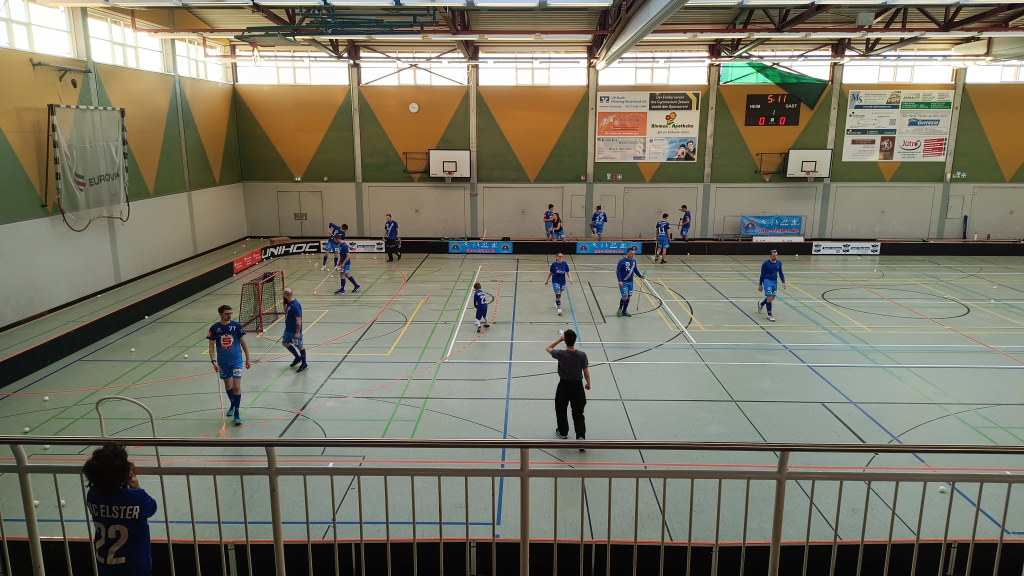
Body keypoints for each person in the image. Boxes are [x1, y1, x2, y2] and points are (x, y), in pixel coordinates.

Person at [83, 443, 158, 576]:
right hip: (135, 567)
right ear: (123, 476)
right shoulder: (137, 497)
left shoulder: (92, 496)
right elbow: (152, 507)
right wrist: (137, 488)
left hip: (105, 565)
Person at [545, 329, 590, 449]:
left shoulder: (560, 354)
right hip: (577, 386)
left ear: (565, 340)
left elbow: (548, 348)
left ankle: (563, 432)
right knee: (578, 412)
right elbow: (586, 372)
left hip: (564, 385)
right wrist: (588, 383)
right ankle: (580, 437)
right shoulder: (582, 355)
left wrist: (559, 339)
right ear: (575, 340)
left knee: (560, 408)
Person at [208, 304, 251, 425]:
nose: (229, 315)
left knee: (236, 386)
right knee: (228, 385)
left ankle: (237, 412)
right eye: (227, 313)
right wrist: (214, 361)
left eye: (230, 313)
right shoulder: (214, 328)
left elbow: (243, 343)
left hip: (236, 361)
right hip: (222, 362)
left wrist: (248, 359)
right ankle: (233, 403)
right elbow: (211, 347)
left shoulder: (236, 326)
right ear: (220, 314)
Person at [282, 288, 308, 373]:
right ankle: (297, 357)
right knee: (285, 343)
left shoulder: (295, 305)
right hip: (288, 329)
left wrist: (297, 332)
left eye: (283, 295)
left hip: (294, 331)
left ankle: (304, 364)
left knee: (299, 346)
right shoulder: (289, 303)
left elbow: (298, 320)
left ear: (286, 295)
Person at [758, 249, 787, 323]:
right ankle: (769, 315)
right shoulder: (765, 264)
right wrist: (760, 284)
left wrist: (783, 282)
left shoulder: (779, 263)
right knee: (769, 297)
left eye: (776, 255)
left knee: (772, 298)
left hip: (774, 282)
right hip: (767, 281)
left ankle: (761, 304)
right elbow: (762, 274)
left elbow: (781, 273)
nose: (775, 257)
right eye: (774, 255)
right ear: (770, 255)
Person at [615, 247, 645, 318]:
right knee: (624, 297)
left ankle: (625, 310)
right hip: (623, 282)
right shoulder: (621, 261)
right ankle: (620, 309)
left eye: (634, 254)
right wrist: (619, 281)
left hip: (630, 282)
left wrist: (640, 276)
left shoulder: (634, 261)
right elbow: (618, 271)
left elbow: (635, 270)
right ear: (627, 253)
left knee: (628, 297)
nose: (632, 255)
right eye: (631, 254)